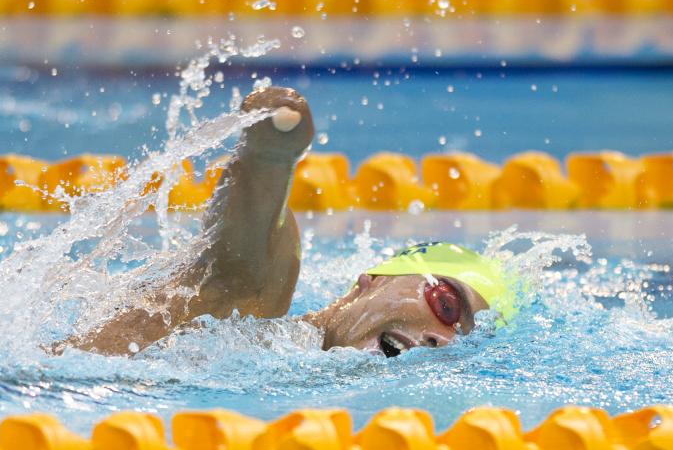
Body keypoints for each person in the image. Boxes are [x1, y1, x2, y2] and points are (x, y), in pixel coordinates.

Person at [61, 86, 515, 357]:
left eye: (463, 339)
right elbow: (241, 264)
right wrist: (270, 159)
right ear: (373, 280)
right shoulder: (255, 313)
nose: (443, 340)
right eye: (448, 307)